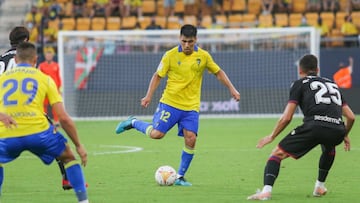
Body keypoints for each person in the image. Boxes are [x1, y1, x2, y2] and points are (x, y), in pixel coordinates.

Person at [115, 24, 240, 186]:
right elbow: (157, 76)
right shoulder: (170, 55)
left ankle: (180, 176)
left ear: (196, 40)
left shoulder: (203, 56)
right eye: (184, 41)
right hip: (170, 103)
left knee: (191, 139)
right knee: (157, 135)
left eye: (190, 41)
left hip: (191, 107)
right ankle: (132, 122)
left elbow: (218, 72)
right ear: (179, 39)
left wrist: (232, 89)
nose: (187, 45)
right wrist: (148, 96)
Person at [247, 54, 355, 200]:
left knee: (277, 154)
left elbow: (287, 117)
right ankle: (320, 186)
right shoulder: (332, 84)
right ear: (317, 69)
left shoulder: (299, 83)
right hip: (337, 128)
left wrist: (272, 136)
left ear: (300, 70)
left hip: (314, 126)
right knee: (329, 146)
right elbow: (351, 116)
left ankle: (265, 192)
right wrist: (343, 134)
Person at [0, 42, 89, 203]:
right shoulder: (44, 78)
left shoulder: (2, 78)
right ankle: (83, 201)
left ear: (15, 58)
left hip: (8, 133)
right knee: (68, 157)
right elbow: (63, 118)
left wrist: (1, 115)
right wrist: (78, 145)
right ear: (35, 59)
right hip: (38, 133)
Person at [39, 47, 62, 126]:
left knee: (55, 105)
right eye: (47, 55)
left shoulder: (56, 65)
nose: (48, 56)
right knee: (44, 105)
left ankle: (56, 121)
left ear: (52, 56)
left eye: (50, 54)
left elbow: (58, 77)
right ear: (45, 56)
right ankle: (44, 120)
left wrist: (59, 88)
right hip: (45, 88)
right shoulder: (41, 66)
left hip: (54, 88)